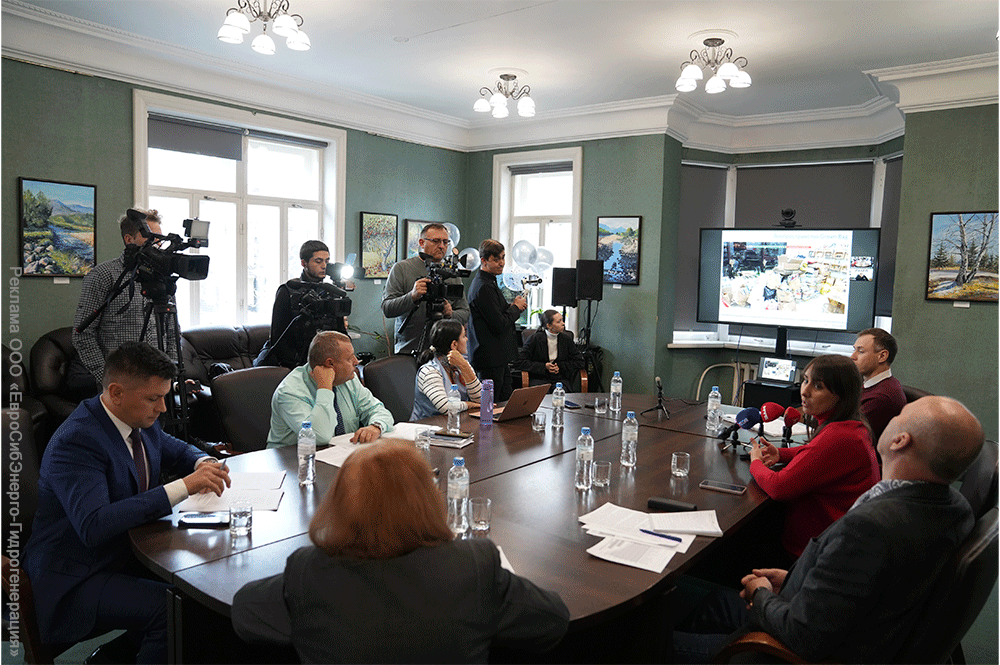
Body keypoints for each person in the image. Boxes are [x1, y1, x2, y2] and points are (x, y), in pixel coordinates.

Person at [674, 396, 984, 664]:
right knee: (712, 602)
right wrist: (795, 579)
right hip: (834, 618)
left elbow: (802, 635)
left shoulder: (871, 528)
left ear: (900, 441)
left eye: (900, 416)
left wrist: (761, 593)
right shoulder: (955, 508)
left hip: (783, 651)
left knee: (652, 641)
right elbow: (862, 582)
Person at [231, 441, 570, 663]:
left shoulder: (309, 572)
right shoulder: (473, 565)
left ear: (339, 504)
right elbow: (553, 620)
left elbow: (245, 614)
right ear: (428, 500)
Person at [23, 342, 231, 664]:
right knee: (171, 611)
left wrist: (203, 461)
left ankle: (113, 658)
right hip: (74, 575)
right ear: (116, 393)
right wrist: (184, 486)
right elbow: (94, 525)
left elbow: (175, 448)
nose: (163, 408)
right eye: (153, 398)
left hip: (124, 553)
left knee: (201, 590)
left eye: (164, 396)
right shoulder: (77, 440)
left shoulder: (137, 419)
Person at [749, 354, 880, 560]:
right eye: (805, 380)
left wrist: (756, 462)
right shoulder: (852, 427)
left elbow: (778, 487)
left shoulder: (839, 437)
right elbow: (816, 452)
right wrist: (781, 453)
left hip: (814, 554)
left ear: (841, 395)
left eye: (818, 386)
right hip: (832, 542)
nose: (804, 391)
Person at [72, 207, 177, 385]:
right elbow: (82, 335)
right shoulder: (103, 275)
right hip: (120, 381)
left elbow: (172, 330)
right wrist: (107, 379)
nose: (157, 244)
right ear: (129, 240)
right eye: (150, 237)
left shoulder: (162, 277)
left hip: (158, 381)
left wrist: (171, 375)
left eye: (159, 238)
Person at [267, 330, 394, 447]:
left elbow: (377, 409)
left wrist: (375, 427)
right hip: (293, 459)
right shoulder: (289, 392)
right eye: (349, 358)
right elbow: (319, 436)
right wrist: (325, 388)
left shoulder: (349, 379)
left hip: (339, 455)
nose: (356, 361)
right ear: (330, 363)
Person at [255, 240, 349, 369]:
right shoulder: (288, 290)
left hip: (323, 360)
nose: (324, 266)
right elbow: (278, 336)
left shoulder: (331, 292)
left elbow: (340, 333)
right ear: (304, 263)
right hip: (291, 362)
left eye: (327, 261)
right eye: (318, 261)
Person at [381, 223, 470, 355]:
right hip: (409, 350)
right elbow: (387, 309)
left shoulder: (451, 273)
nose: (441, 246)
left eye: (445, 242)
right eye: (436, 241)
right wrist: (412, 296)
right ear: (422, 243)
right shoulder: (402, 269)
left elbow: (465, 312)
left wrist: (451, 314)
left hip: (444, 353)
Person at [468, 239, 527, 402]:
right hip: (489, 360)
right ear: (483, 260)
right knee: (489, 408)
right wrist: (516, 308)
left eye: (503, 257)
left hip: (497, 358)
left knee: (504, 404)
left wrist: (513, 306)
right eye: (496, 259)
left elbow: (496, 311)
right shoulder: (483, 286)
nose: (502, 263)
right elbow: (499, 323)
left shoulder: (489, 282)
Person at [411, 319, 482, 420]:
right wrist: (469, 404)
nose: (466, 339)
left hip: (457, 422)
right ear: (454, 344)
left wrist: (465, 368)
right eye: (463, 336)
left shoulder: (462, 364)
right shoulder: (429, 371)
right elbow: (445, 407)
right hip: (427, 426)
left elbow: (481, 400)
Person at [851, 327, 907, 442]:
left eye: (860, 351)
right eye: (854, 350)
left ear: (882, 356)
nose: (853, 356)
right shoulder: (874, 385)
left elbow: (850, 436)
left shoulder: (880, 398)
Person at [513, 309, 586, 392]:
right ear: (549, 325)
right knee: (541, 394)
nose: (563, 323)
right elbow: (519, 362)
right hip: (539, 378)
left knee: (560, 393)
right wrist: (544, 367)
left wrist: (560, 366)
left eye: (562, 320)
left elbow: (580, 362)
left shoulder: (566, 339)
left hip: (560, 379)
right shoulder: (535, 339)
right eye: (559, 321)